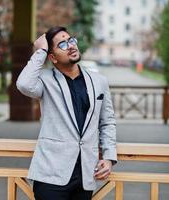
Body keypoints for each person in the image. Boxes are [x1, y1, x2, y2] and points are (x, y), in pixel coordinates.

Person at [16, 26, 117, 200]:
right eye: (62, 44)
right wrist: (41, 51)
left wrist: (108, 157)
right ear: (53, 57)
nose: (70, 46)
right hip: (51, 174)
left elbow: (107, 122)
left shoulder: (99, 81)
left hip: (86, 174)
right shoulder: (45, 80)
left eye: (71, 40)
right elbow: (24, 84)